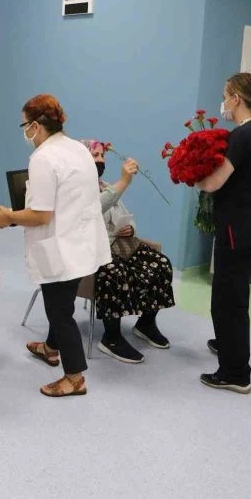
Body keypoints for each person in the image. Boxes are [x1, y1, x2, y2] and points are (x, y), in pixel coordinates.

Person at [0, 94, 110, 397]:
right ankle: (50, 347)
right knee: (63, 302)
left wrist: (8, 216)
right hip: (82, 242)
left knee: (59, 312)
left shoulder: (43, 158)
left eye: (25, 125)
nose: (25, 131)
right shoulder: (78, 148)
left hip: (61, 246)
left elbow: (41, 214)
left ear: (35, 125)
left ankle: (74, 377)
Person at [196, 72, 251, 394]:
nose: (223, 103)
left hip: (239, 231)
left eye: (225, 96)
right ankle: (228, 344)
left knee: (227, 301)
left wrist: (193, 177)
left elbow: (214, 183)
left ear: (236, 99)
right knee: (235, 293)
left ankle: (235, 373)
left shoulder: (243, 135)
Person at [87, 142, 176, 364]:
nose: (100, 160)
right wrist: (124, 181)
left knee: (161, 263)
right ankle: (111, 337)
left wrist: (130, 229)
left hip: (120, 245)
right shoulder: (79, 192)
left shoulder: (106, 186)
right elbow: (95, 208)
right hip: (93, 251)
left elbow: (127, 215)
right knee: (114, 272)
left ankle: (146, 323)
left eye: (102, 155)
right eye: (95, 155)